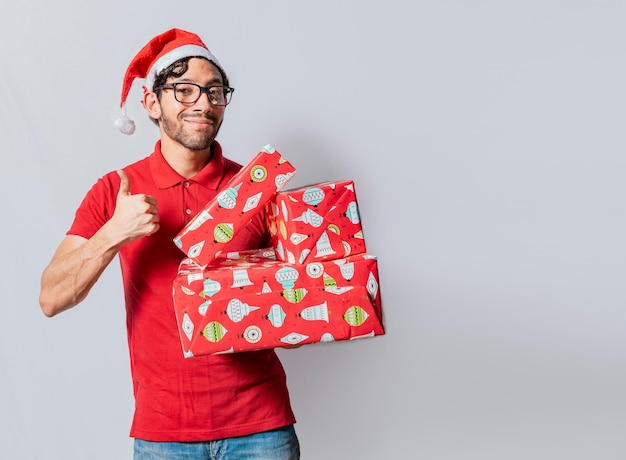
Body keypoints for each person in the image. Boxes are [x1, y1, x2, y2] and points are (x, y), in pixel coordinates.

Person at [39, 28, 300, 460]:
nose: (203, 102)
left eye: (215, 91)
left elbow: (298, 297)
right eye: (184, 90)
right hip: (164, 436)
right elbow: (51, 297)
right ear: (150, 103)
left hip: (261, 428)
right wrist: (113, 232)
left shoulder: (256, 189)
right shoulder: (115, 190)